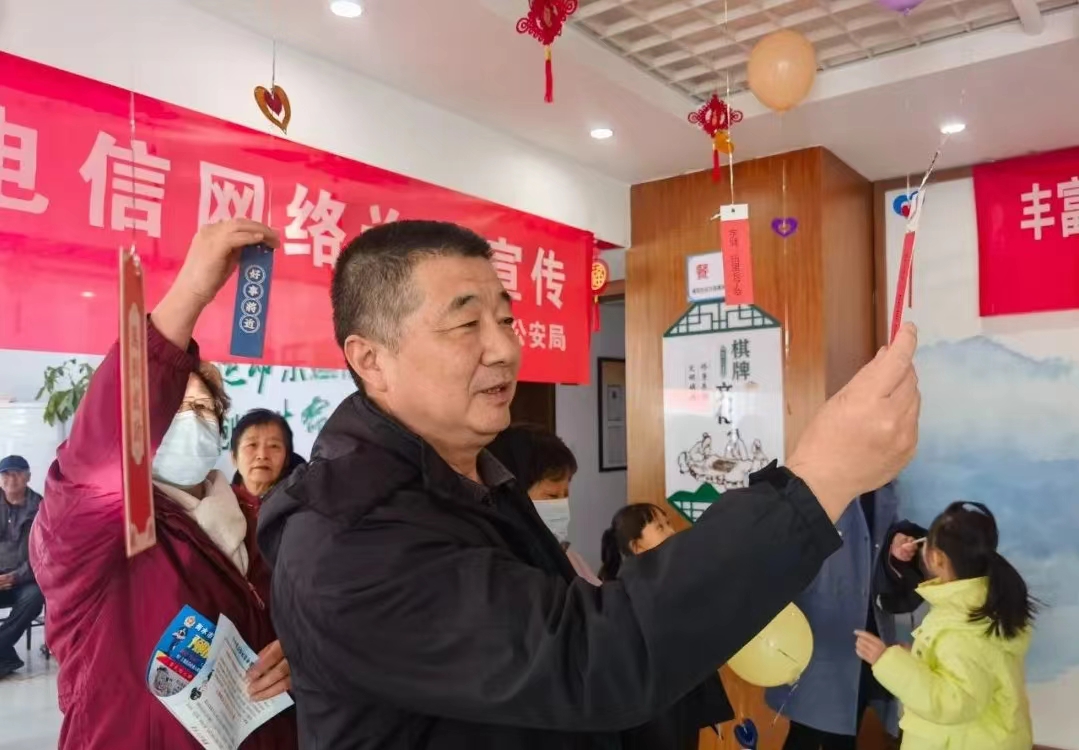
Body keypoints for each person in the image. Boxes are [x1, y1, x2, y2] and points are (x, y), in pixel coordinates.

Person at [257, 219, 921, 749]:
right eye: (465, 324)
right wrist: (816, 483)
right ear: (370, 359)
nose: (504, 349)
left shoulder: (480, 473)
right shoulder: (348, 542)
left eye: (506, 320)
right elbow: (590, 653)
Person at [29, 219, 297, 749]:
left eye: (203, 409)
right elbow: (104, 448)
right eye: (173, 408)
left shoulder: (249, 521)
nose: (190, 421)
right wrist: (191, 293)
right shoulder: (92, 529)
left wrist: (293, 652)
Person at [854, 502, 1035, 750]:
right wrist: (916, 661)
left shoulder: (961, 628)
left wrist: (888, 662)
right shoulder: (979, 606)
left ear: (937, 558)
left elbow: (954, 702)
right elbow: (963, 671)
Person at [767, 483, 916, 749]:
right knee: (809, 727)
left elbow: (886, 543)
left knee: (847, 725)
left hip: (867, 630)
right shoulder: (819, 483)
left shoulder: (885, 488)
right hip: (820, 628)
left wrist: (897, 549)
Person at [599, 502, 734, 749]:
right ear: (637, 546)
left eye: (668, 523)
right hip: (650, 711)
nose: (672, 531)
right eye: (660, 527)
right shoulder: (624, 592)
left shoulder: (674, 581)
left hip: (680, 703)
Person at [486, 423, 600, 584]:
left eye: (565, 495)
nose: (562, 507)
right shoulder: (503, 570)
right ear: (513, 498)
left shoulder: (570, 558)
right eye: (552, 496)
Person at [0, 455, 45, 678]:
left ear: (28, 477)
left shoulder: (42, 507)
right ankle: (5, 656)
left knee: (35, 596)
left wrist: (15, 577)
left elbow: (43, 553)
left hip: (26, 578)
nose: (11, 479)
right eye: (6, 474)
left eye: (17, 473)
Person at [231, 408, 306, 504]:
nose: (262, 455)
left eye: (273, 446)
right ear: (234, 458)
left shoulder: (305, 504)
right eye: (252, 445)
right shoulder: (219, 501)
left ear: (286, 458)